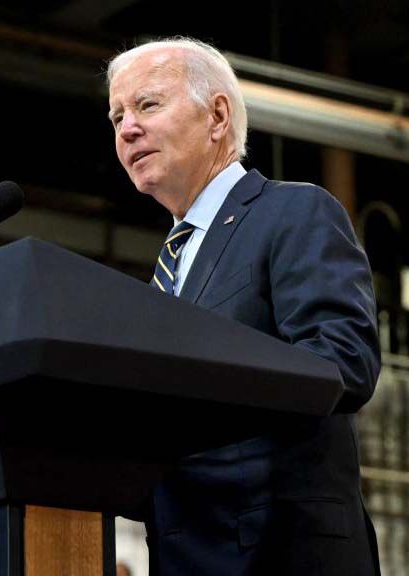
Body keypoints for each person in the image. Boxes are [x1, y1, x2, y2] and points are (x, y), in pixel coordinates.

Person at [107, 38, 380, 575]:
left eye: (147, 105)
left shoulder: (293, 212)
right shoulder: (168, 271)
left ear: (217, 114)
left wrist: (187, 409)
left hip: (284, 552)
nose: (126, 128)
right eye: (116, 115)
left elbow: (343, 362)